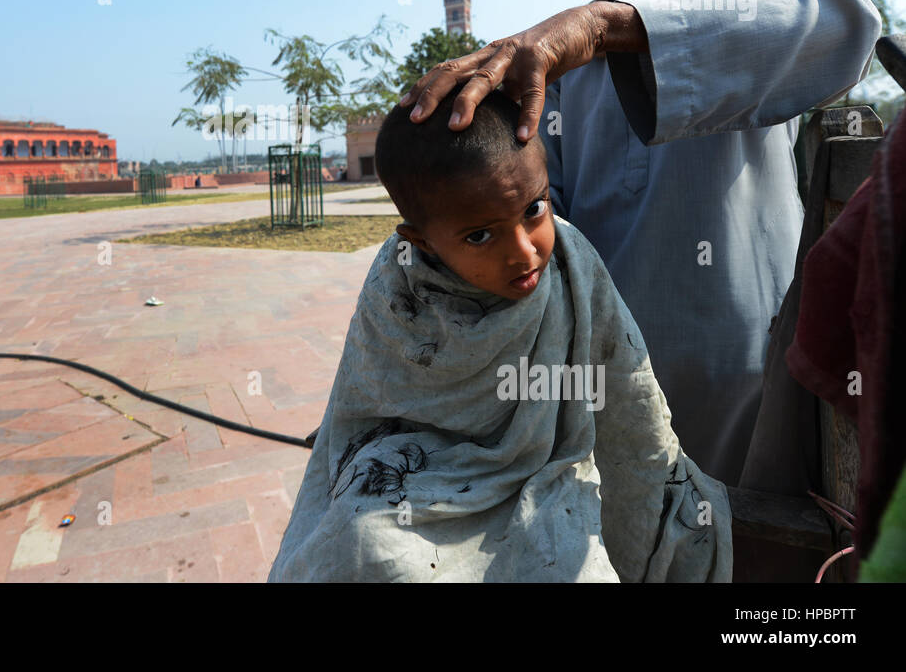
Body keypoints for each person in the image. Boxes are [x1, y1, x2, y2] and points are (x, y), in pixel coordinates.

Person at [400, 0, 880, 486]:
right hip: (600, 382)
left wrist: (603, 27)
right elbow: (539, 221)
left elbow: (846, 18)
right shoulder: (556, 70)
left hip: (745, 388)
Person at [267, 90, 731, 582]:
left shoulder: (573, 264)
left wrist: (655, 477)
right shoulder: (398, 279)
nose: (525, 252)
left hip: (548, 468)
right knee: (366, 543)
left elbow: (626, 389)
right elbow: (367, 396)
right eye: (480, 236)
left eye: (534, 209)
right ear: (422, 242)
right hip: (417, 469)